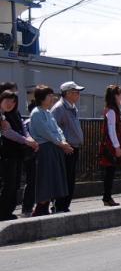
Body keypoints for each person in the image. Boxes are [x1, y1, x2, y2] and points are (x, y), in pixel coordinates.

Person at [28, 85, 73, 216]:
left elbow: (57, 130)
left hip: (54, 148)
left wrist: (63, 141)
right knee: (46, 179)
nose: (52, 98)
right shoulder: (36, 113)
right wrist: (62, 144)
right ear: (41, 98)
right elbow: (46, 133)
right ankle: (40, 208)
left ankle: (45, 207)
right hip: (45, 148)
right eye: (49, 96)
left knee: (53, 179)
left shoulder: (47, 112)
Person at [0, 84, 38, 221]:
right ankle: (3, 212)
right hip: (7, 153)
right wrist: (26, 141)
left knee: (15, 184)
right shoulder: (2, 116)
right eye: (7, 100)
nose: (10, 103)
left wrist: (29, 139)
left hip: (17, 153)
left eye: (13, 100)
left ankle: (7, 211)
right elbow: (8, 133)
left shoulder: (13, 113)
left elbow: (22, 128)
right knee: (8, 184)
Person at [51, 81, 85, 213]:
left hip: (73, 147)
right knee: (64, 178)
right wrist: (63, 144)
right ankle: (60, 205)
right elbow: (54, 129)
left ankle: (65, 205)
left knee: (70, 178)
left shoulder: (72, 107)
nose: (78, 94)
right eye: (75, 92)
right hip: (65, 148)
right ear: (67, 93)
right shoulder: (59, 108)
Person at [99, 85, 121, 206]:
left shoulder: (112, 110)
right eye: (120, 94)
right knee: (109, 172)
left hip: (110, 145)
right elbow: (111, 131)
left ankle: (107, 197)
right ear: (114, 96)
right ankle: (107, 197)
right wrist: (117, 146)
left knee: (110, 172)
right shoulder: (111, 111)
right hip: (110, 147)